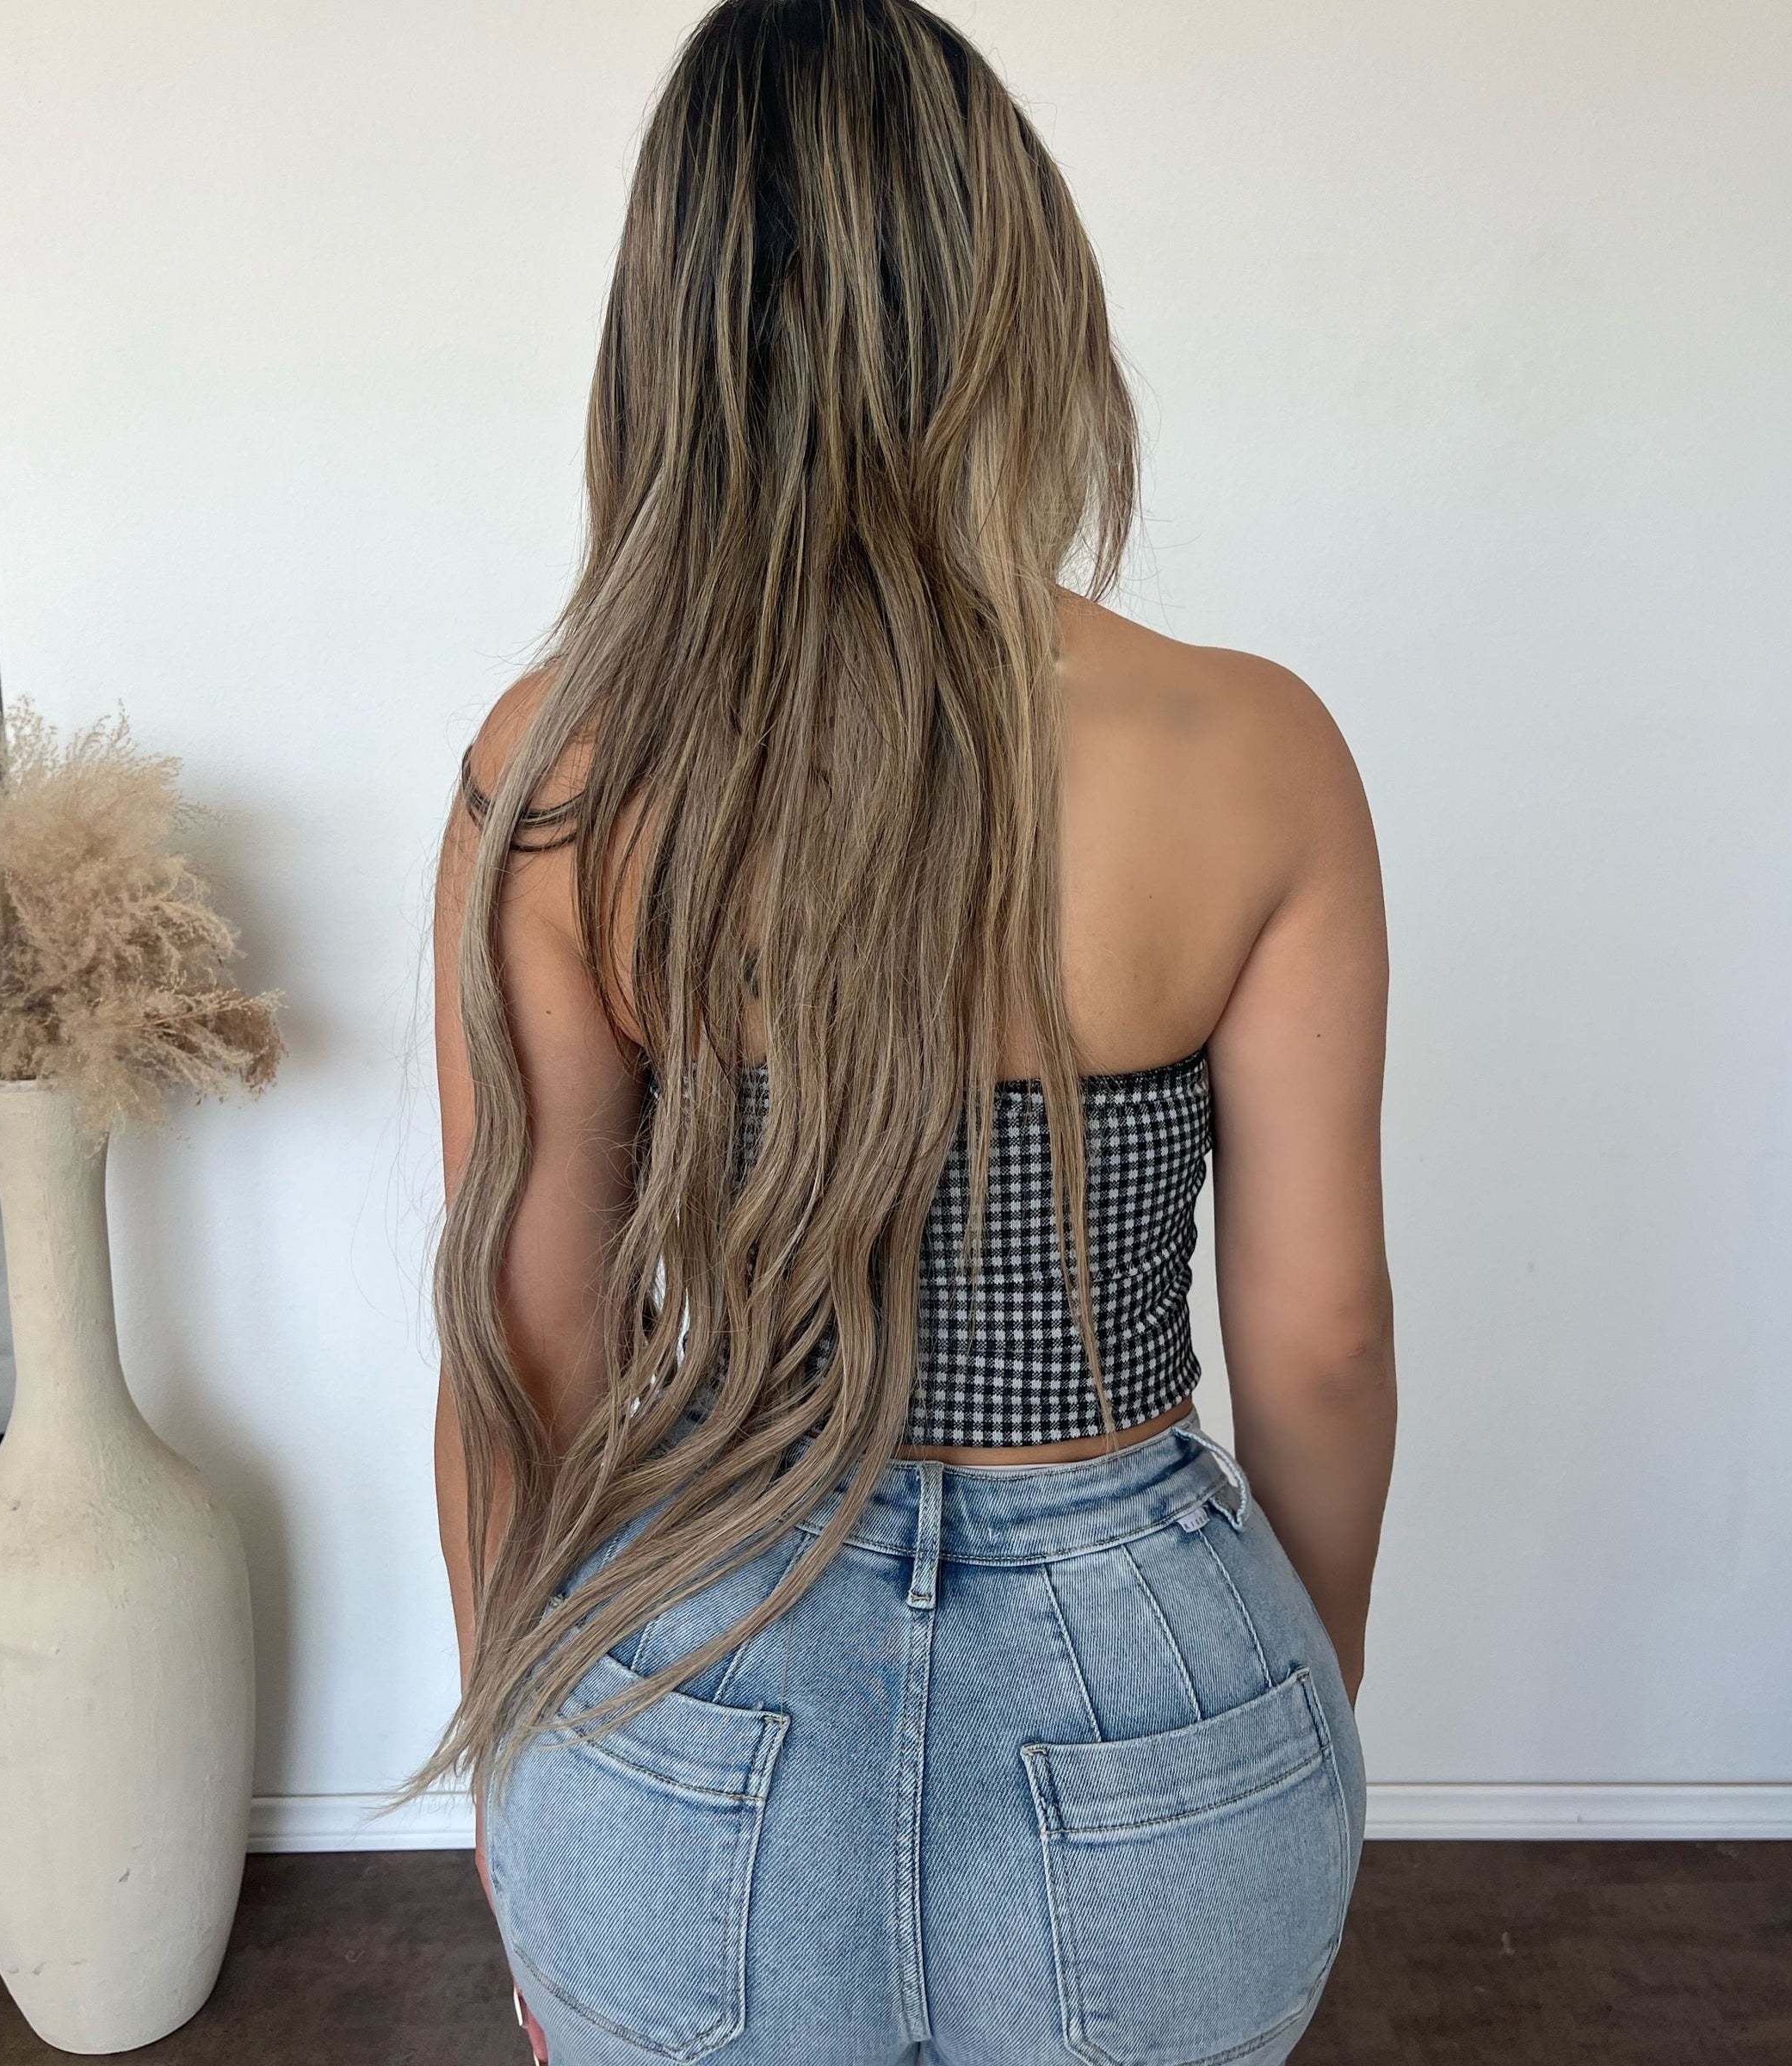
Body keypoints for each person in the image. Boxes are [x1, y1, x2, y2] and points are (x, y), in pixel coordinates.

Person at [399, 4, 1396, 2061]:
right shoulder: (1251, 748)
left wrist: (520, 1768)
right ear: (1017, 291)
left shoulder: (558, 767)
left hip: (693, 1676)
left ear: (668, 327)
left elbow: (527, 1351)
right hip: (1152, 1696)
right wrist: (1289, 1690)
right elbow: (1321, 1348)